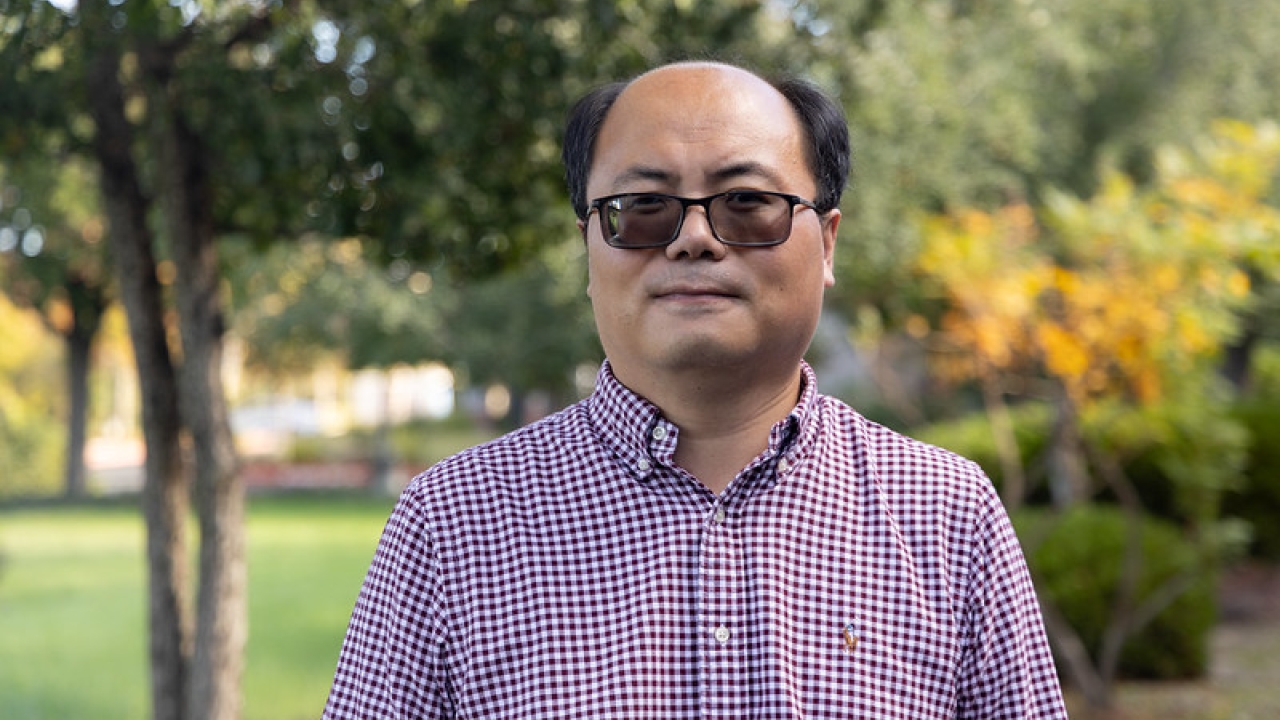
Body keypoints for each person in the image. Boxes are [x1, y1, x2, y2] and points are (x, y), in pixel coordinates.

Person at [323, 61, 1068, 719]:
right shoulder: (453, 526)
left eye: (747, 203)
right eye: (643, 209)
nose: (694, 238)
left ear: (829, 241)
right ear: (588, 246)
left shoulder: (945, 515)